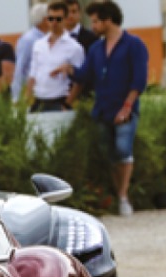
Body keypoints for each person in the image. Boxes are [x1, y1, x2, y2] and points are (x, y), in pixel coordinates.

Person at [64, 1, 149, 215]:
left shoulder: (134, 44)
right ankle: (119, 194)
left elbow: (139, 80)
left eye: (95, 21)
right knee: (108, 153)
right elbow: (84, 75)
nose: (92, 25)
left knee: (123, 149)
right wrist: (68, 69)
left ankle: (123, 196)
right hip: (102, 109)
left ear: (107, 20)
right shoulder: (96, 48)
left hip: (125, 108)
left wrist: (128, 106)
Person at [27, 2, 85, 112]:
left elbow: (80, 81)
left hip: (59, 101)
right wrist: (27, 99)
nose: (54, 23)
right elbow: (33, 74)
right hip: (38, 101)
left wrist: (67, 104)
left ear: (65, 19)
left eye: (58, 19)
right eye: (50, 19)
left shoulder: (74, 47)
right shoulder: (38, 44)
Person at [12, 3, 50, 101]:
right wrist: (16, 97)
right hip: (31, 93)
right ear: (44, 19)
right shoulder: (28, 40)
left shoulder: (50, 37)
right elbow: (20, 68)